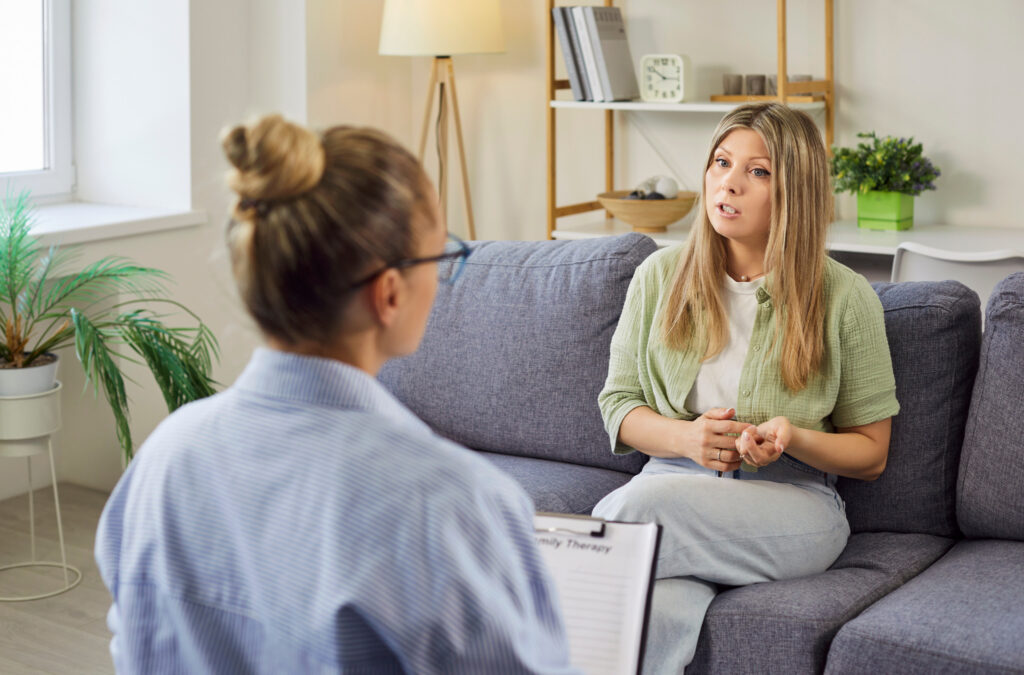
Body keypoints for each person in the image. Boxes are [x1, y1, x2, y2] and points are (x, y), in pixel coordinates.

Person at [95, 115, 578, 674]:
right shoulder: (450, 502)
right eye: (441, 256)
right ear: (389, 294)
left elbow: (134, 647)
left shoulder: (165, 455)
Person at [593, 103, 899, 672]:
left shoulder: (845, 297)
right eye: (720, 162)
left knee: (642, 510)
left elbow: (872, 454)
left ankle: (547, 576)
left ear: (794, 193)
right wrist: (685, 440)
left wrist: (794, 436)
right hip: (671, 483)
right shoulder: (657, 278)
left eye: (757, 172)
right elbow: (618, 404)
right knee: (651, 616)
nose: (727, 183)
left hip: (793, 508)